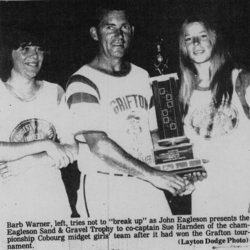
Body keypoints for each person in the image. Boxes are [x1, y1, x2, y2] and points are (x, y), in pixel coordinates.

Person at [66, 3, 193, 219]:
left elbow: (153, 135)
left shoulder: (142, 75)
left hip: (147, 184)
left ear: (132, 32)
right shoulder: (82, 81)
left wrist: (178, 171)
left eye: (124, 27)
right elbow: (98, 144)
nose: (118, 35)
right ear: (94, 33)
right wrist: (155, 175)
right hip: (105, 187)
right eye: (110, 27)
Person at [0, 29, 78, 220]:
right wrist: (46, 145)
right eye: (25, 49)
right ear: (9, 53)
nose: (34, 56)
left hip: (53, 203)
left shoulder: (55, 92)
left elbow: (74, 149)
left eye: (39, 49)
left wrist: (29, 161)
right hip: (9, 205)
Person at [179, 15, 250, 215]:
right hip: (205, 195)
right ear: (183, 46)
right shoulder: (183, 93)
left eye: (202, 36)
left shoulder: (241, 79)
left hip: (242, 190)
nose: (196, 43)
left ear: (214, 39)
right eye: (189, 38)